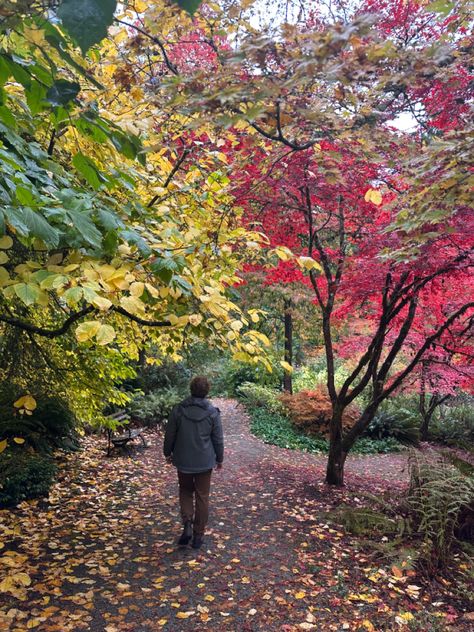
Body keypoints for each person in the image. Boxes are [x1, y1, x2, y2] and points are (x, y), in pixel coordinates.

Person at [163, 376, 224, 549]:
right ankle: (198, 535)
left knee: (185, 491)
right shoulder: (212, 412)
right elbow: (218, 439)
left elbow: (170, 434)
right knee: (202, 496)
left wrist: (167, 453)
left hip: (183, 460)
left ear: (191, 389)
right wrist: (219, 458)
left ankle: (187, 523)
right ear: (207, 391)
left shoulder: (179, 410)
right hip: (205, 462)